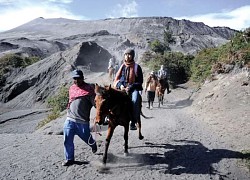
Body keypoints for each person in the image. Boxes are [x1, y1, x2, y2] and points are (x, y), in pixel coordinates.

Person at [62, 69, 97, 166]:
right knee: (67, 139)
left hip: (82, 121)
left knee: (87, 138)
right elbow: (70, 101)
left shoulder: (89, 90)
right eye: (74, 78)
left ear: (82, 78)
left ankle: (93, 144)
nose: (76, 80)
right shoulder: (72, 88)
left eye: (78, 78)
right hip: (70, 119)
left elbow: (95, 104)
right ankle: (69, 159)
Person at [114, 48, 143, 130]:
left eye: (129, 54)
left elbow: (140, 81)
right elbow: (117, 79)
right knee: (111, 97)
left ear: (133, 56)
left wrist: (131, 87)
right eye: (126, 54)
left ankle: (133, 121)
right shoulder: (121, 66)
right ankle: (108, 117)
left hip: (133, 89)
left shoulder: (137, 67)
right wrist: (120, 86)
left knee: (135, 100)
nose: (127, 56)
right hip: (122, 88)